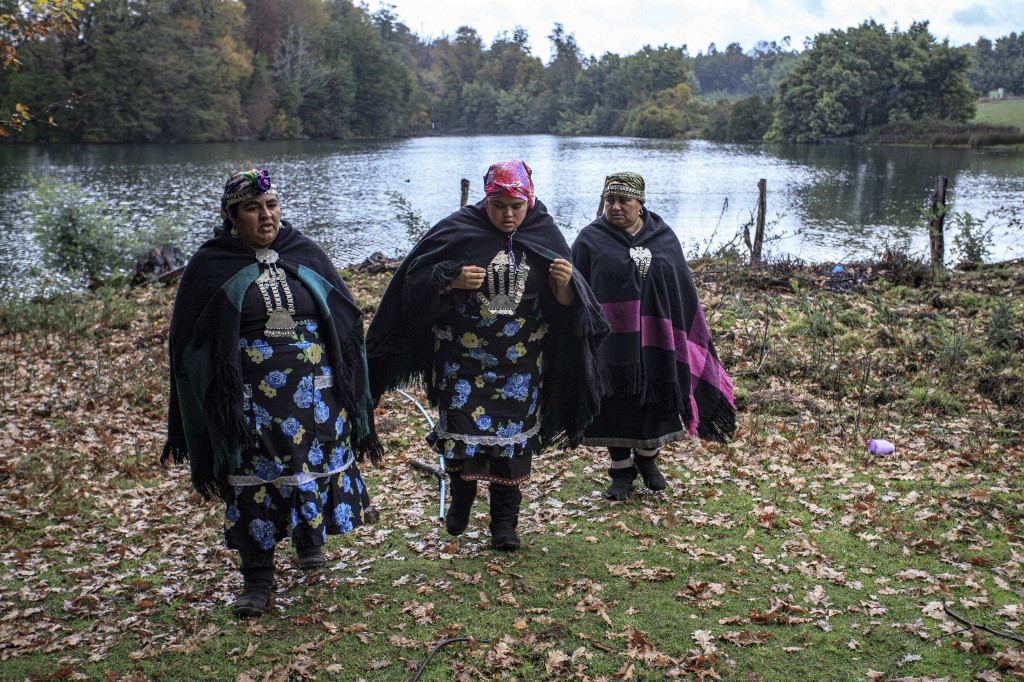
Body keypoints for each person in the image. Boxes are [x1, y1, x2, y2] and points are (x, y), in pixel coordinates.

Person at [162, 169, 381, 617]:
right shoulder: (211, 264)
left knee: (308, 466)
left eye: (272, 206)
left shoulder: (303, 251)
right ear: (232, 217)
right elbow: (188, 338)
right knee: (255, 479)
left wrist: (344, 373)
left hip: (317, 396)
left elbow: (342, 312)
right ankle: (257, 580)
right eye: (252, 208)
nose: (266, 216)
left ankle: (309, 539)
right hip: (248, 401)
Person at [366, 160, 608, 550]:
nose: (508, 215)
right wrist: (451, 279)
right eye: (499, 206)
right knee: (463, 436)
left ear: (529, 200)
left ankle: (504, 523)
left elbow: (566, 310)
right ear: (486, 199)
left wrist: (565, 288)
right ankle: (461, 500)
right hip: (463, 362)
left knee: (512, 446)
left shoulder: (543, 231)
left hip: (521, 364)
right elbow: (413, 280)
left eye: (516, 206)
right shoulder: (458, 228)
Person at [570, 171, 736, 500]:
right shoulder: (590, 239)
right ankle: (620, 471)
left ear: (640, 204)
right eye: (609, 200)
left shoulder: (664, 237)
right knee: (614, 406)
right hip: (610, 346)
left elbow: (681, 289)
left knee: (655, 402)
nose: (615, 207)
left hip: (658, 341)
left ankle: (648, 462)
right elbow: (575, 288)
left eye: (623, 201)